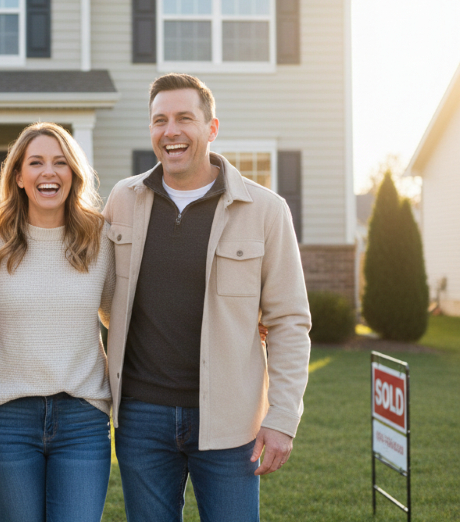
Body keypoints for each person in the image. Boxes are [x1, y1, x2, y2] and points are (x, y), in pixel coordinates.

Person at [104, 73, 311, 522]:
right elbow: (103, 294)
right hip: (141, 417)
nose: (170, 131)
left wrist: (281, 417)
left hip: (231, 420)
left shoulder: (266, 211)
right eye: (159, 120)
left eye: (184, 118)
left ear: (211, 127)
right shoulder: (123, 199)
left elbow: (290, 321)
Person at [0, 122, 116, 522]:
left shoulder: (99, 238)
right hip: (7, 420)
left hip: (83, 419)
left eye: (60, 162)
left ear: (74, 173)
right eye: (35, 162)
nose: (48, 172)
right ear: (18, 176)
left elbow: (120, 316)